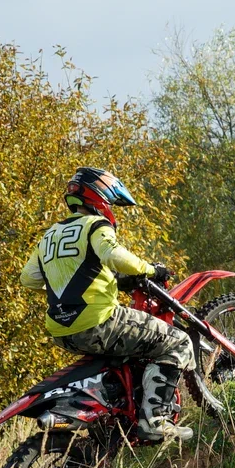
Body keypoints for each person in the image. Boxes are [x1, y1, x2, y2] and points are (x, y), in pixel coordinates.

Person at [19, 167, 194, 442]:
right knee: (179, 342)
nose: (112, 209)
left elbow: (28, 279)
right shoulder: (95, 226)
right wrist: (150, 269)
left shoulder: (49, 235)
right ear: (100, 198)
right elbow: (113, 255)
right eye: (111, 203)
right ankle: (155, 420)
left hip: (61, 332)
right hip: (98, 322)